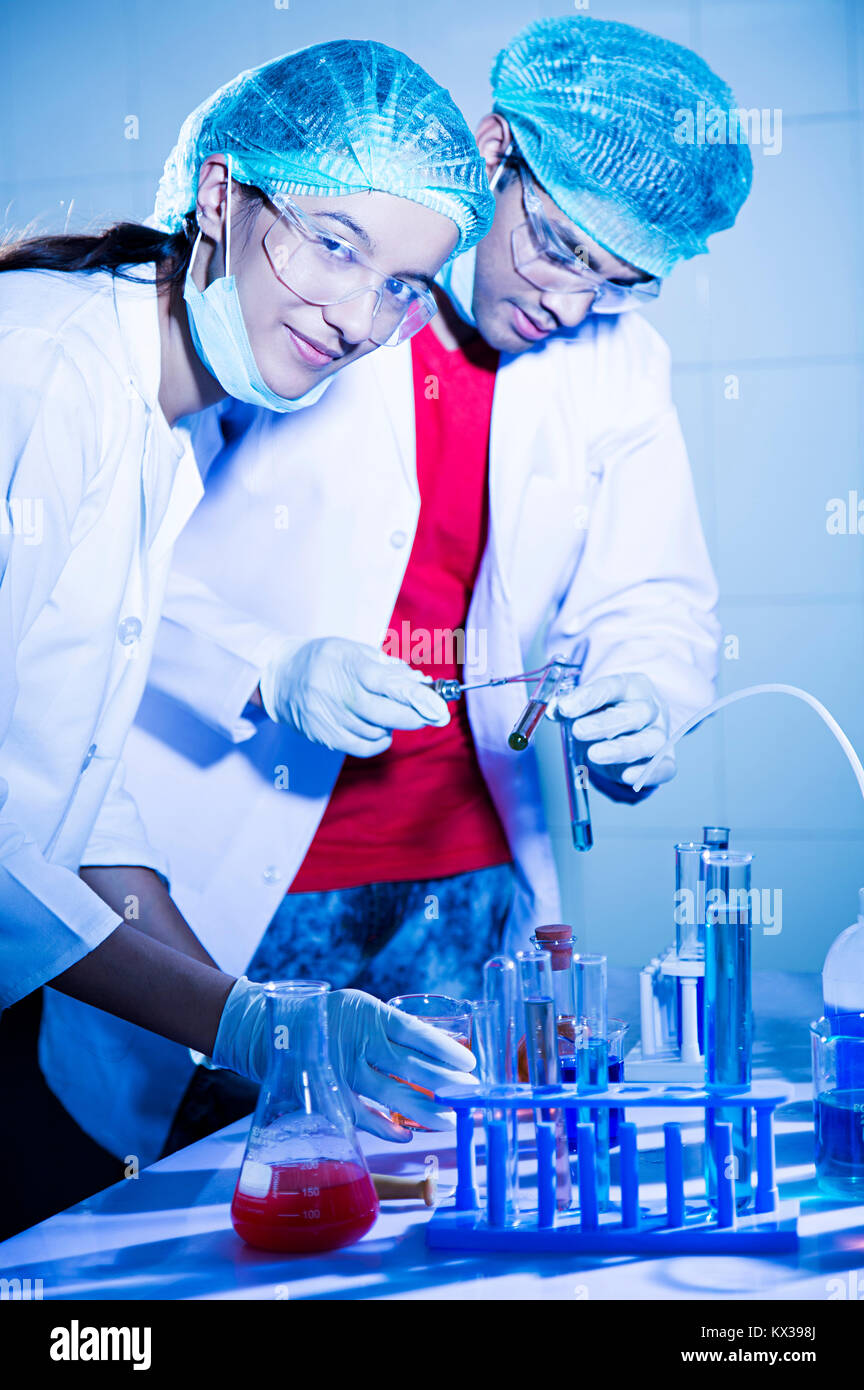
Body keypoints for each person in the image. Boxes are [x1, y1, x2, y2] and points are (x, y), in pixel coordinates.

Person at [37, 16, 752, 1164]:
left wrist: (647, 698)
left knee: (447, 1217)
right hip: (230, 861)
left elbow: (654, 593)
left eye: (616, 283)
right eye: (560, 248)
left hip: (465, 881)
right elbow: (107, 582)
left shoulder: (619, 365)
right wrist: (263, 669)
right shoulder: (291, 308)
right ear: (491, 149)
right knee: (213, 1197)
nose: (572, 304)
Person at [0, 40, 494, 1151]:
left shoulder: (159, 431)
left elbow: (72, 797)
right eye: (333, 245)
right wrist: (239, 1020)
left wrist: (233, 1044)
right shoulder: (36, 370)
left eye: (402, 288)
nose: (360, 319)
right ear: (219, 193)